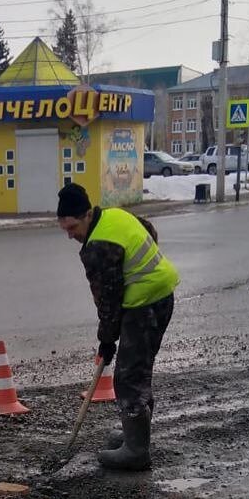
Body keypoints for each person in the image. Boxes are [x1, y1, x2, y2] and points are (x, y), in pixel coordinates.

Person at [57, 182, 178, 471]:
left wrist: (107, 340)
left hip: (144, 304)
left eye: (72, 227)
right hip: (162, 295)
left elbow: (108, 301)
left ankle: (136, 450)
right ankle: (135, 433)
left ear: (87, 214)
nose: (70, 235)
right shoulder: (115, 216)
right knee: (139, 369)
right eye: (65, 229)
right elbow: (148, 231)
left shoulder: (98, 247)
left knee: (127, 378)